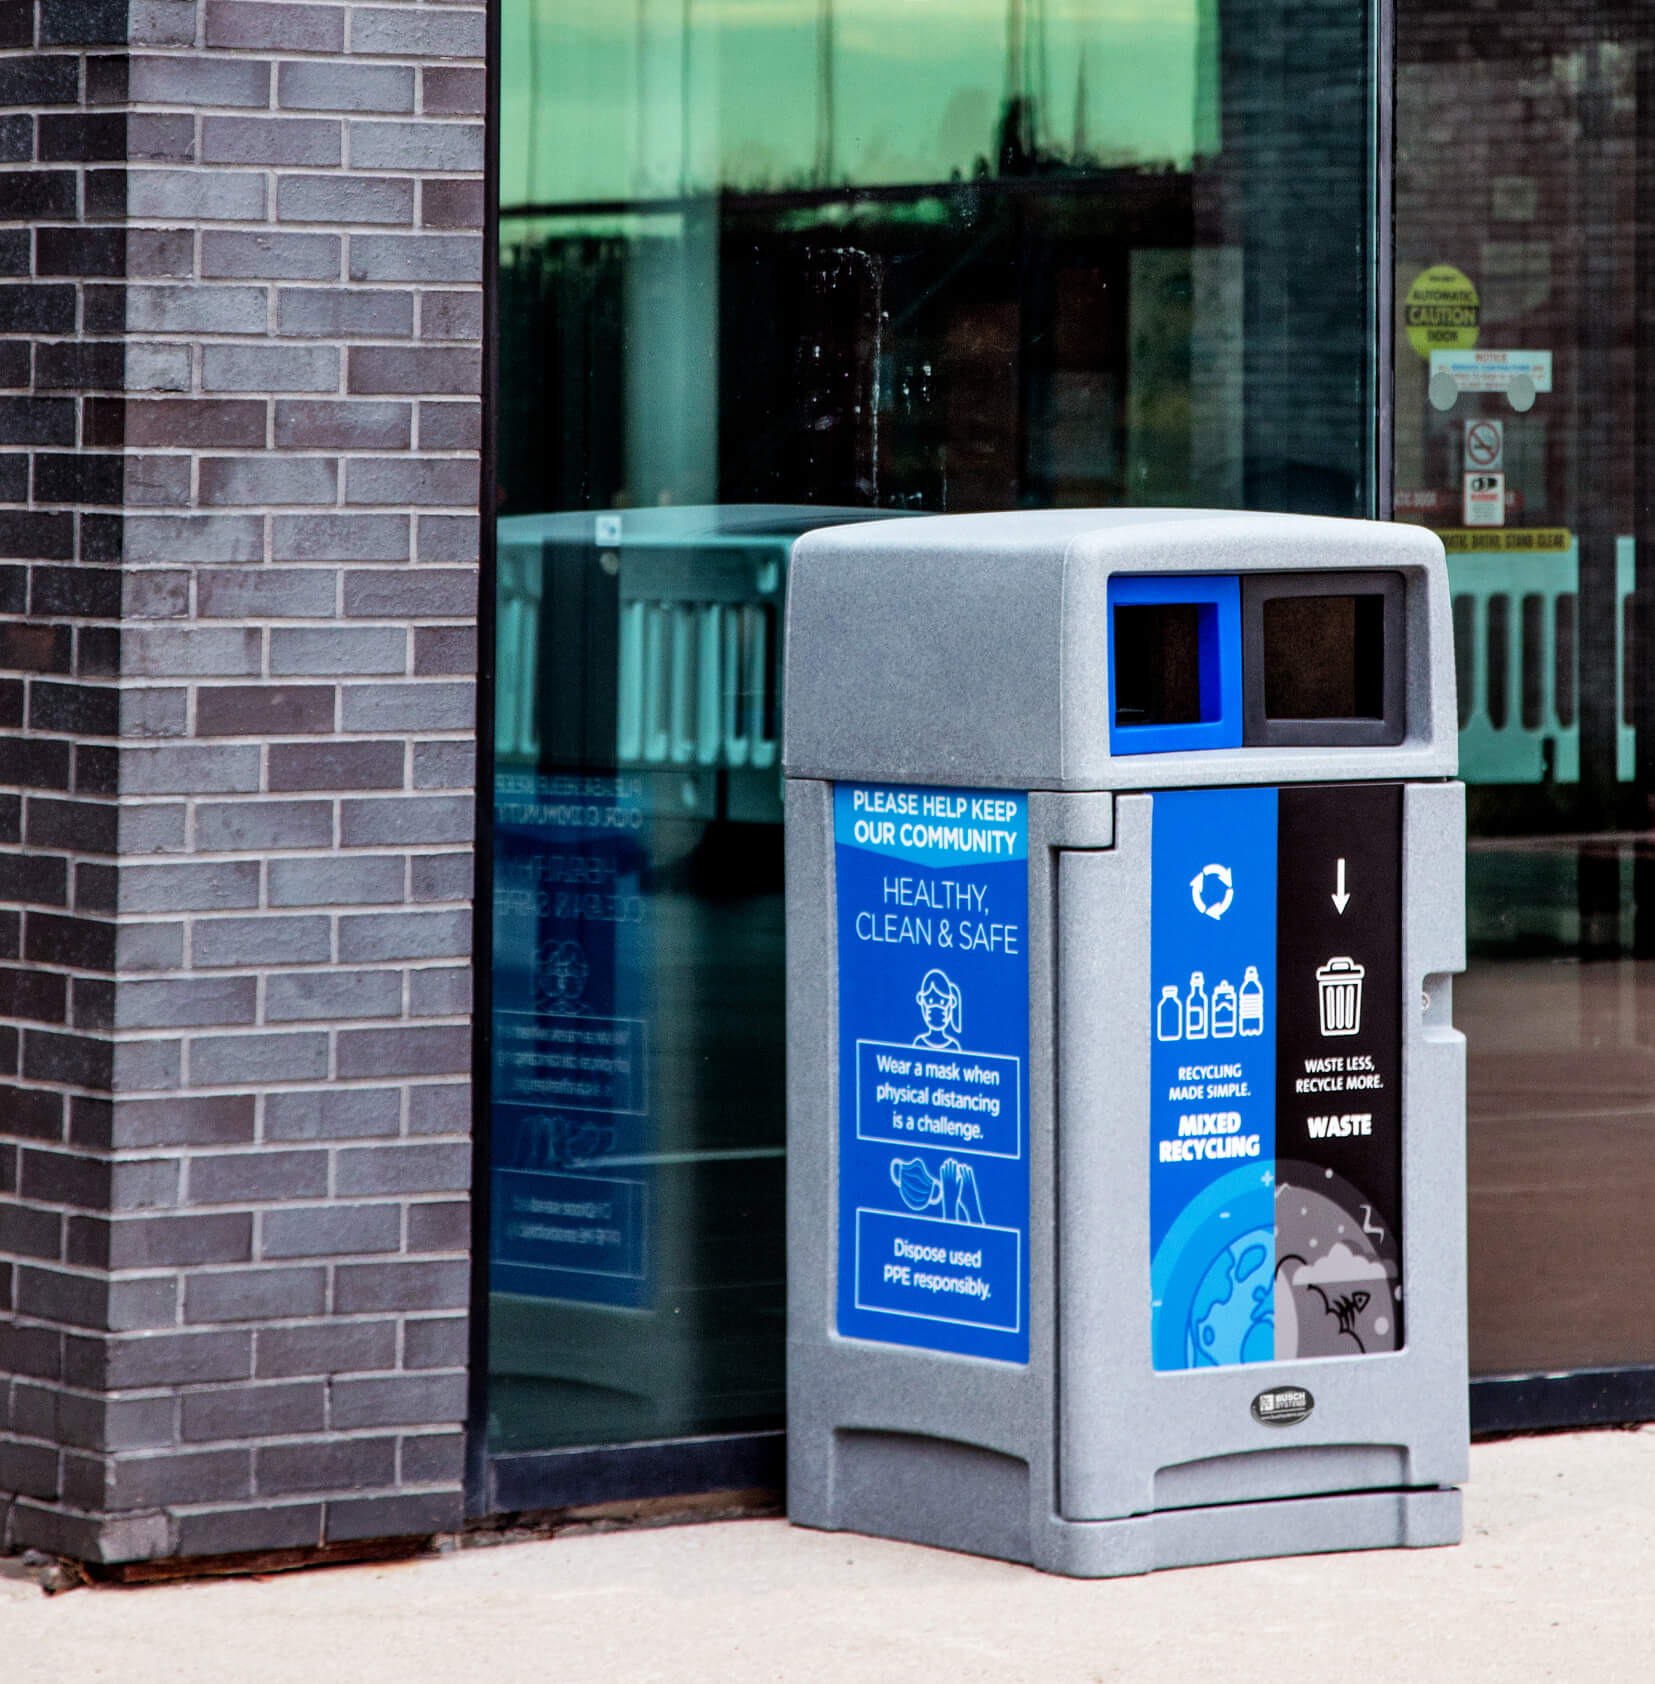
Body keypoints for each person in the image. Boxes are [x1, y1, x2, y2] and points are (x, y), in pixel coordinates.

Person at [912, 968, 963, 1050]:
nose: (936, 1007)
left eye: (943, 1002)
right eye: (930, 1001)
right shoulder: (919, 1042)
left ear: (951, 1003)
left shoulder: (953, 1046)